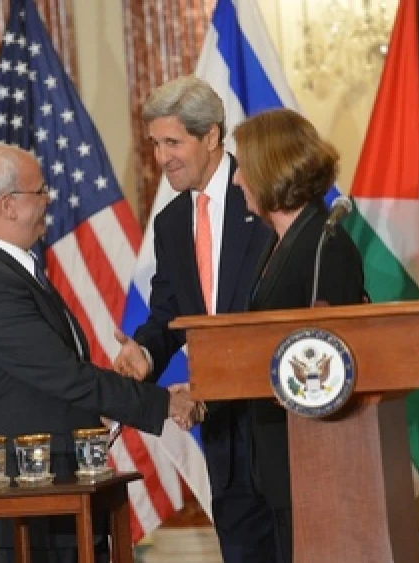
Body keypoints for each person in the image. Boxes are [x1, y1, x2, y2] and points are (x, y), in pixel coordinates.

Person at [0, 144, 197, 563]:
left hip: (54, 494)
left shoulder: (12, 268)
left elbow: (57, 377)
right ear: (8, 205)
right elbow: (64, 376)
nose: (48, 200)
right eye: (39, 191)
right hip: (24, 502)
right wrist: (164, 403)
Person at [112, 75, 279, 562]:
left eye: (173, 142)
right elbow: (169, 308)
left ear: (211, 138)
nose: (162, 157)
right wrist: (144, 352)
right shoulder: (169, 222)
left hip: (280, 425)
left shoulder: (264, 196)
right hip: (224, 436)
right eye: (156, 144)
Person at [232, 108, 367, 562]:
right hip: (280, 458)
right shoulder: (278, 244)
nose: (236, 181)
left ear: (269, 168)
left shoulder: (325, 246)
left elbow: (336, 362)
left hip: (315, 459)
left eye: (243, 168)